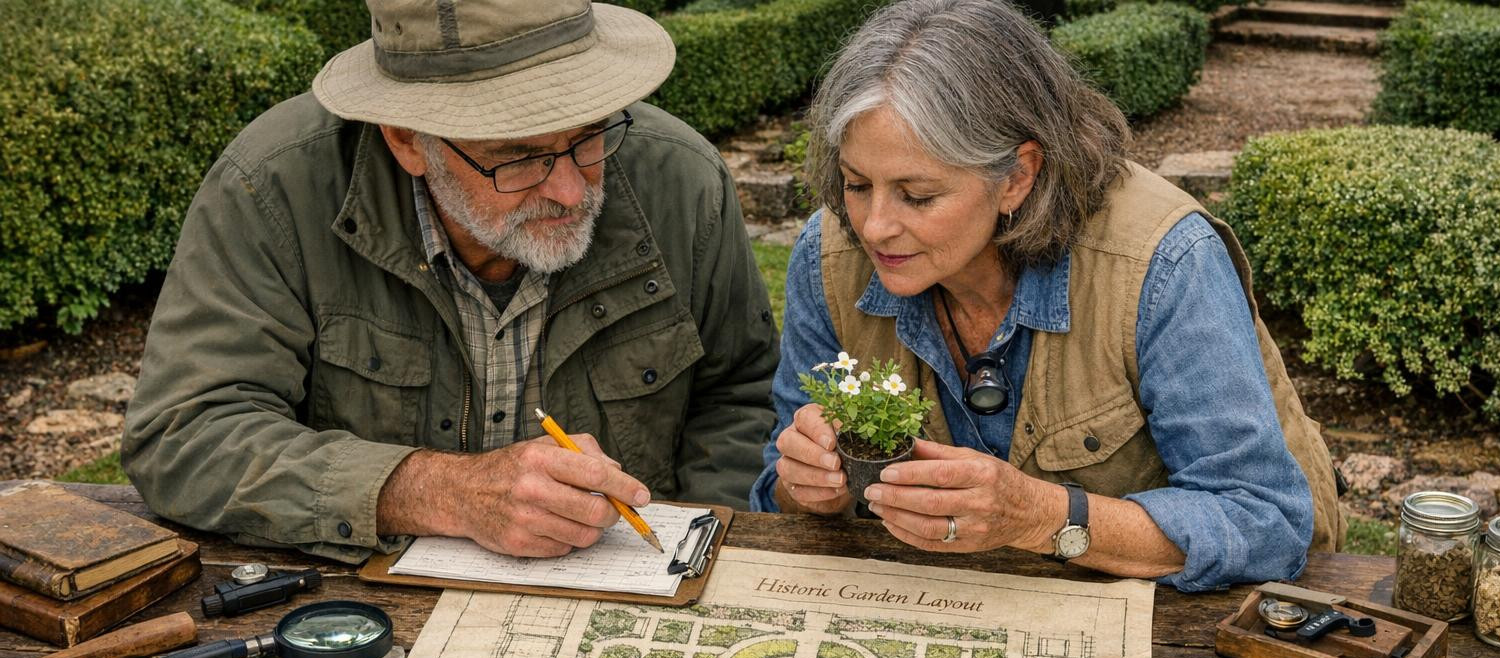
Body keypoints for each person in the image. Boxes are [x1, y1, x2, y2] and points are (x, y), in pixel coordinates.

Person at [123, 0, 777, 562]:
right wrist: (435, 492)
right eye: (518, 155)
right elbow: (187, 433)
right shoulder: (274, 189)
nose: (571, 190)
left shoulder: (684, 183)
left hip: (625, 587)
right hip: (365, 605)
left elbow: (744, 394)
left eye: (589, 137)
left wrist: (693, 550)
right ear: (407, 140)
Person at [752, 0, 1342, 591]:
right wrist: (809, 485)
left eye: (918, 195)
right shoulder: (828, 254)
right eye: (857, 184)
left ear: (1017, 176)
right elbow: (778, 496)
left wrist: (1040, 516)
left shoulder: (1164, 261)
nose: (874, 226)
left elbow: (1263, 521)